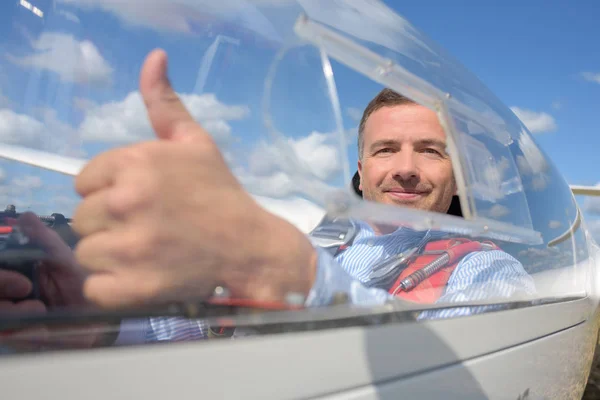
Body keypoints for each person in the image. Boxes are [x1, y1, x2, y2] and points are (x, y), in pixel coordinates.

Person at [0, 49, 534, 347]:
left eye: (431, 152)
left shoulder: (490, 272)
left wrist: (297, 281)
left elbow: (437, 373)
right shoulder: (318, 244)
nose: (405, 169)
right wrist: (95, 325)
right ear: (361, 167)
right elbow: (201, 323)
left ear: (458, 175)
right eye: (386, 149)